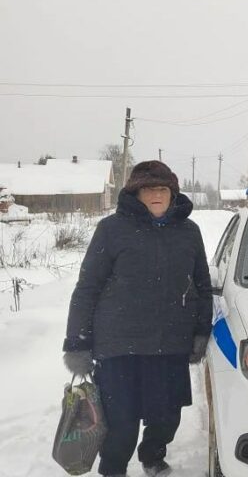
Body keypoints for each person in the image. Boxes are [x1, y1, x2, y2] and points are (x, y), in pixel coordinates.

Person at [62, 160, 213, 477]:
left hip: (171, 342)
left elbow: (202, 285)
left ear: (172, 193)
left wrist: (201, 331)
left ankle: (153, 456)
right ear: (136, 194)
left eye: (162, 189)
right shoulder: (111, 230)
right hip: (119, 346)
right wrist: (77, 342)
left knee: (167, 416)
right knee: (121, 422)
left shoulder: (189, 232)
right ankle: (113, 469)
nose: (156, 195)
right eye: (148, 189)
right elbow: (87, 288)